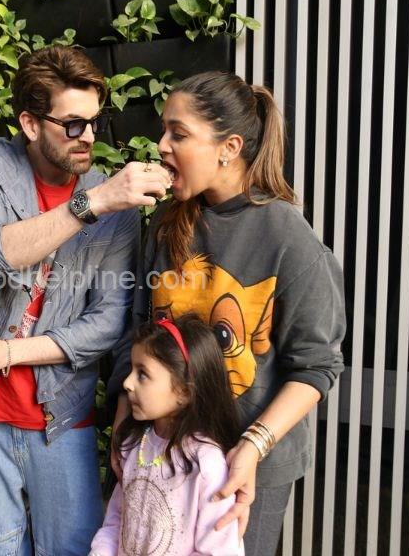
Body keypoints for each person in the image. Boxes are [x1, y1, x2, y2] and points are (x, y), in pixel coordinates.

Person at [0, 45, 173, 555]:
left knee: (70, 547)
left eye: (94, 122)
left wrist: (10, 352)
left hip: (62, 408)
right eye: (72, 124)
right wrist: (92, 203)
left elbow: (108, 322)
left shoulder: (115, 200)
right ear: (30, 123)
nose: (88, 136)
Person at [108, 71, 347, 555]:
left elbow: (317, 367)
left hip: (247, 464)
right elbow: (138, 334)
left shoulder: (289, 239)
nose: (162, 146)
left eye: (178, 134)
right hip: (163, 452)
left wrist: (253, 446)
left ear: (229, 147)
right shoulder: (166, 224)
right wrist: (122, 429)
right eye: (164, 131)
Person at [90, 315, 243, 556]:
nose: (127, 383)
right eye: (131, 370)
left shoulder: (207, 464)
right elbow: (115, 522)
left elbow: (218, 551)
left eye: (142, 374)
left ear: (184, 392)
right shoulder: (134, 445)